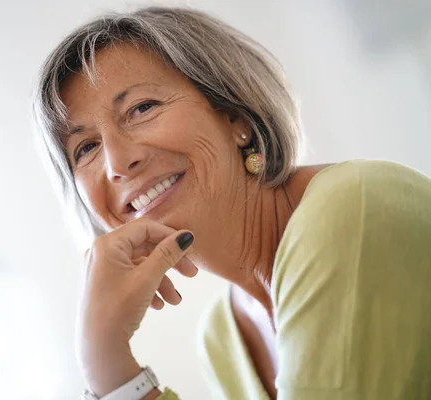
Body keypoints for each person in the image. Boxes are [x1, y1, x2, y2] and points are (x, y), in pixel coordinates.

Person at [33, 6, 431, 400]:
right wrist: (103, 355)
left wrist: (108, 365)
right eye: (85, 147)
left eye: (142, 108)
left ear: (234, 115)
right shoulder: (223, 336)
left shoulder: (351, 206)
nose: (118, 163)